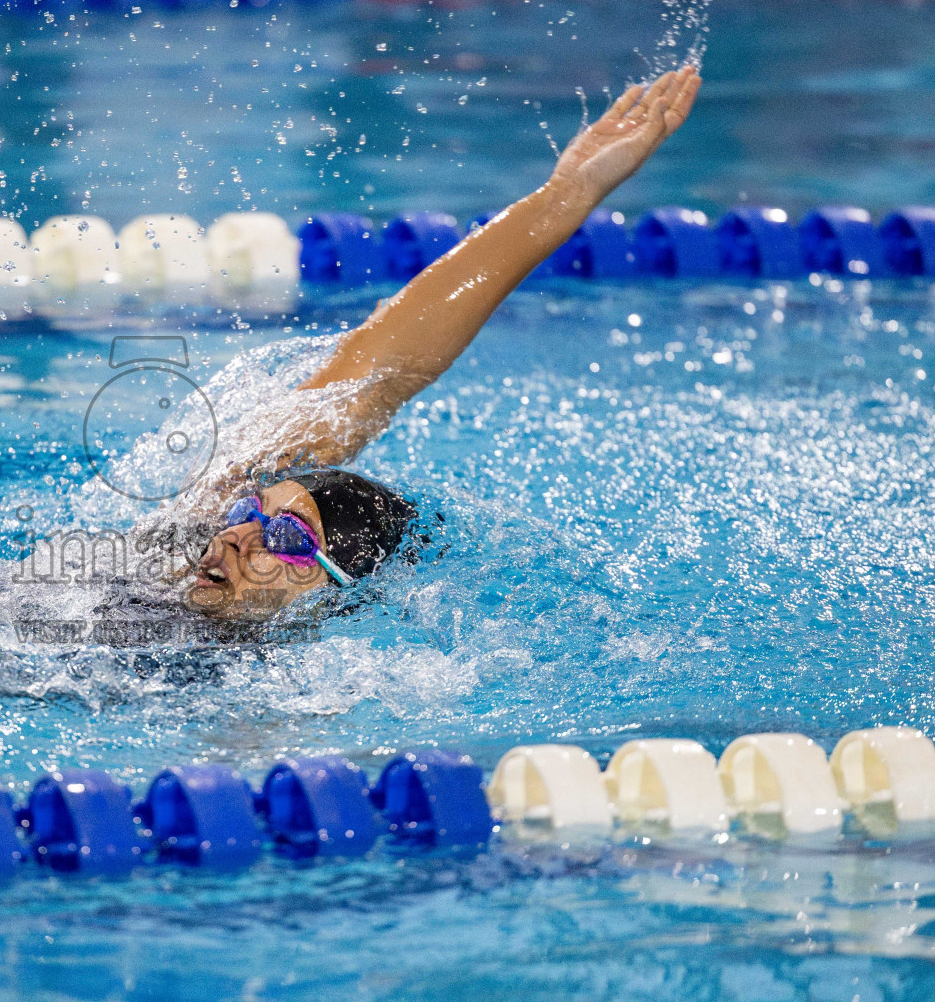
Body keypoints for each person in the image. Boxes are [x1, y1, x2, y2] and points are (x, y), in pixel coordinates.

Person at [184, 66, 701, 620]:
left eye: (288, 536)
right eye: (249, 511)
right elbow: (377, 375)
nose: (238, 535)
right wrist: (566, 195)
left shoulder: (310, 692)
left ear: (333, 597)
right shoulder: (167, 555)